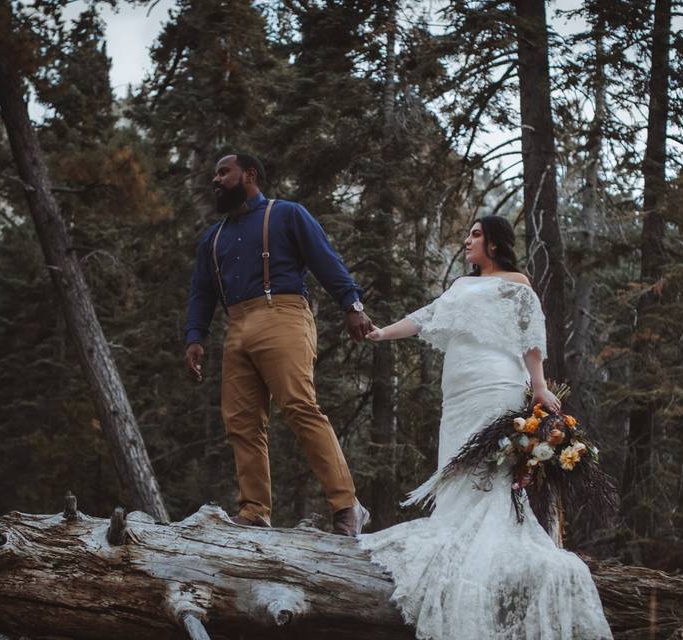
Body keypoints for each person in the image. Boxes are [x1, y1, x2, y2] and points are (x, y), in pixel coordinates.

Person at [359, 216, 613, 639]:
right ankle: (462, 541)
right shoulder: (460, 287)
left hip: (495, 384)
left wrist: (539, 388)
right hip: (457, 391)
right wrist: (381, 333)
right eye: (468, 234)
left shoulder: (517, 283)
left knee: (487, 473)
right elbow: (426, 317)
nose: (467, 240)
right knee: (456, 471)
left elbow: (531, 341)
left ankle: (487, 566)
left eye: (475, 235)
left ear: (494, 243)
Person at [184, 153, 373, 536]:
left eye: (224, 172)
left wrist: (352, 304)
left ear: (249, 175)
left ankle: (346, 505)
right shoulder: (213, 237)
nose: (216, 180)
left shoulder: (286, 213)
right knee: (241, 423)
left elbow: (325, 259)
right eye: (214, 174)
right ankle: (254, 510)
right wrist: (195, 337)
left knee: (300, 406)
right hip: (236, 326)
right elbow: (201, 293)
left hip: (282, 312)